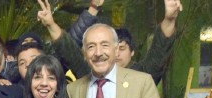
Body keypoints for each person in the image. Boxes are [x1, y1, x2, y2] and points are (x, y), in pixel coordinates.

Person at [39, 0, 182, 84]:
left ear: (132, 52)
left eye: (122, 48)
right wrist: (51, 25)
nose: (99, 52)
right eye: (93, 47)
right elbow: (70, 53)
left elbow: (158, 56)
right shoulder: (91, 74)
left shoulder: (140, 77)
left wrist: (169, 19)